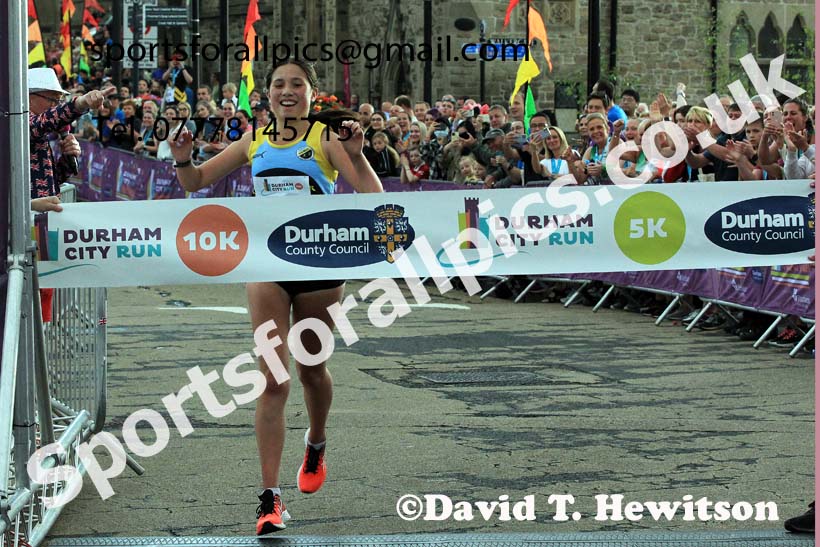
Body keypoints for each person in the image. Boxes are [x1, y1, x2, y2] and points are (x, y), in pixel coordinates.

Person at [168, 58, 382, 536]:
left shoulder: (325, 138)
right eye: (279, 84)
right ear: (266, 94)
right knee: (273, 380)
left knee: (311, 371)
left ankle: (317, 441)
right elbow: (196, 182)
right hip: (267, 265)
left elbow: (373, 194)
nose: (288, 91)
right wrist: (182, 156)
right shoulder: (256, 138)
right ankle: (269, 500)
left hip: (319, 266)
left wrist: (358, 152)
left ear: (312, 93)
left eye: (297, 85)